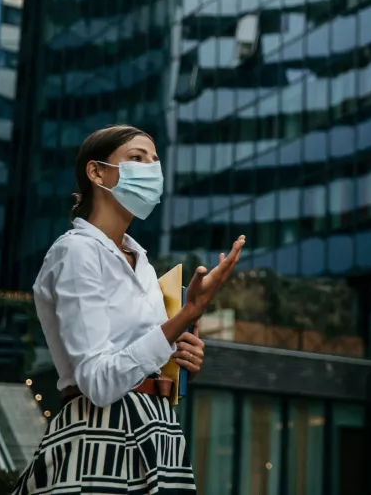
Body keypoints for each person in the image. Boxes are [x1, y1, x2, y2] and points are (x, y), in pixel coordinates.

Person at [13, 125, 246, 495]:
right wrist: (185, 316)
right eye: (137, 158)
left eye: (155, 161)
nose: (151, 170)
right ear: (97, 172)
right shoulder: (76, 252)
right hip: (101, 432)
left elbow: (142, 359)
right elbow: (99, 382)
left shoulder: (144, 265)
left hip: (160, 429)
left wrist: (181, 363)